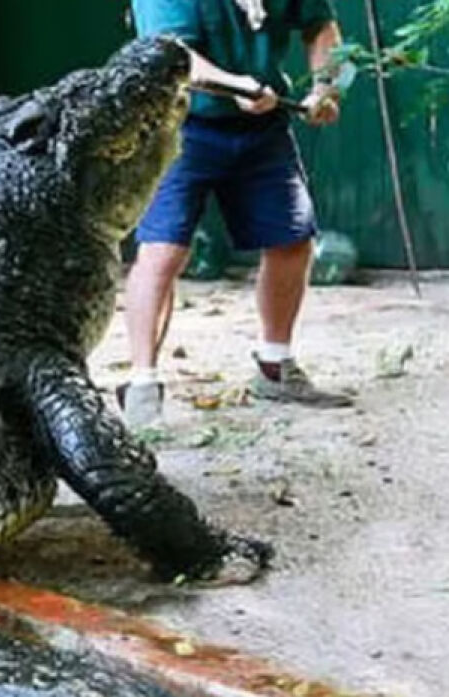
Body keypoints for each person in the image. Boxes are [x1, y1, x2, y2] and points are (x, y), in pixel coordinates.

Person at [119, 0, 355, 427]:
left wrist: (326, 89)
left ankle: (275, 366)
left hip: (263, 128)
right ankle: (142, 383)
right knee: (163, 251)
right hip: (180, 123)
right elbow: (173, 55)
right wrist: (237, 87)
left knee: (292, 239)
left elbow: (323, 30)